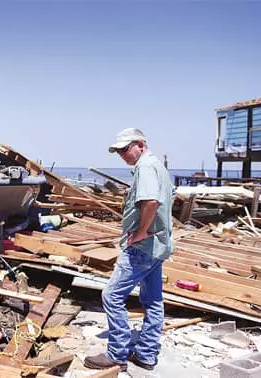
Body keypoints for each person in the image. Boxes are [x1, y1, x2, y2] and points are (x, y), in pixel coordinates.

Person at [84, 128, 173, 372]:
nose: (122, 154)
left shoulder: (145, 167)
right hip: (158, 245)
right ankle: (146, 354)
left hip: (143, 246)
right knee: (153, 300)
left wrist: (142, 231)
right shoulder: (158, 167)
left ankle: (116, 354)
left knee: (111, 295)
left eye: (126, 149)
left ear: (140, 144)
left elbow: (151, 202)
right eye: (119, 151)